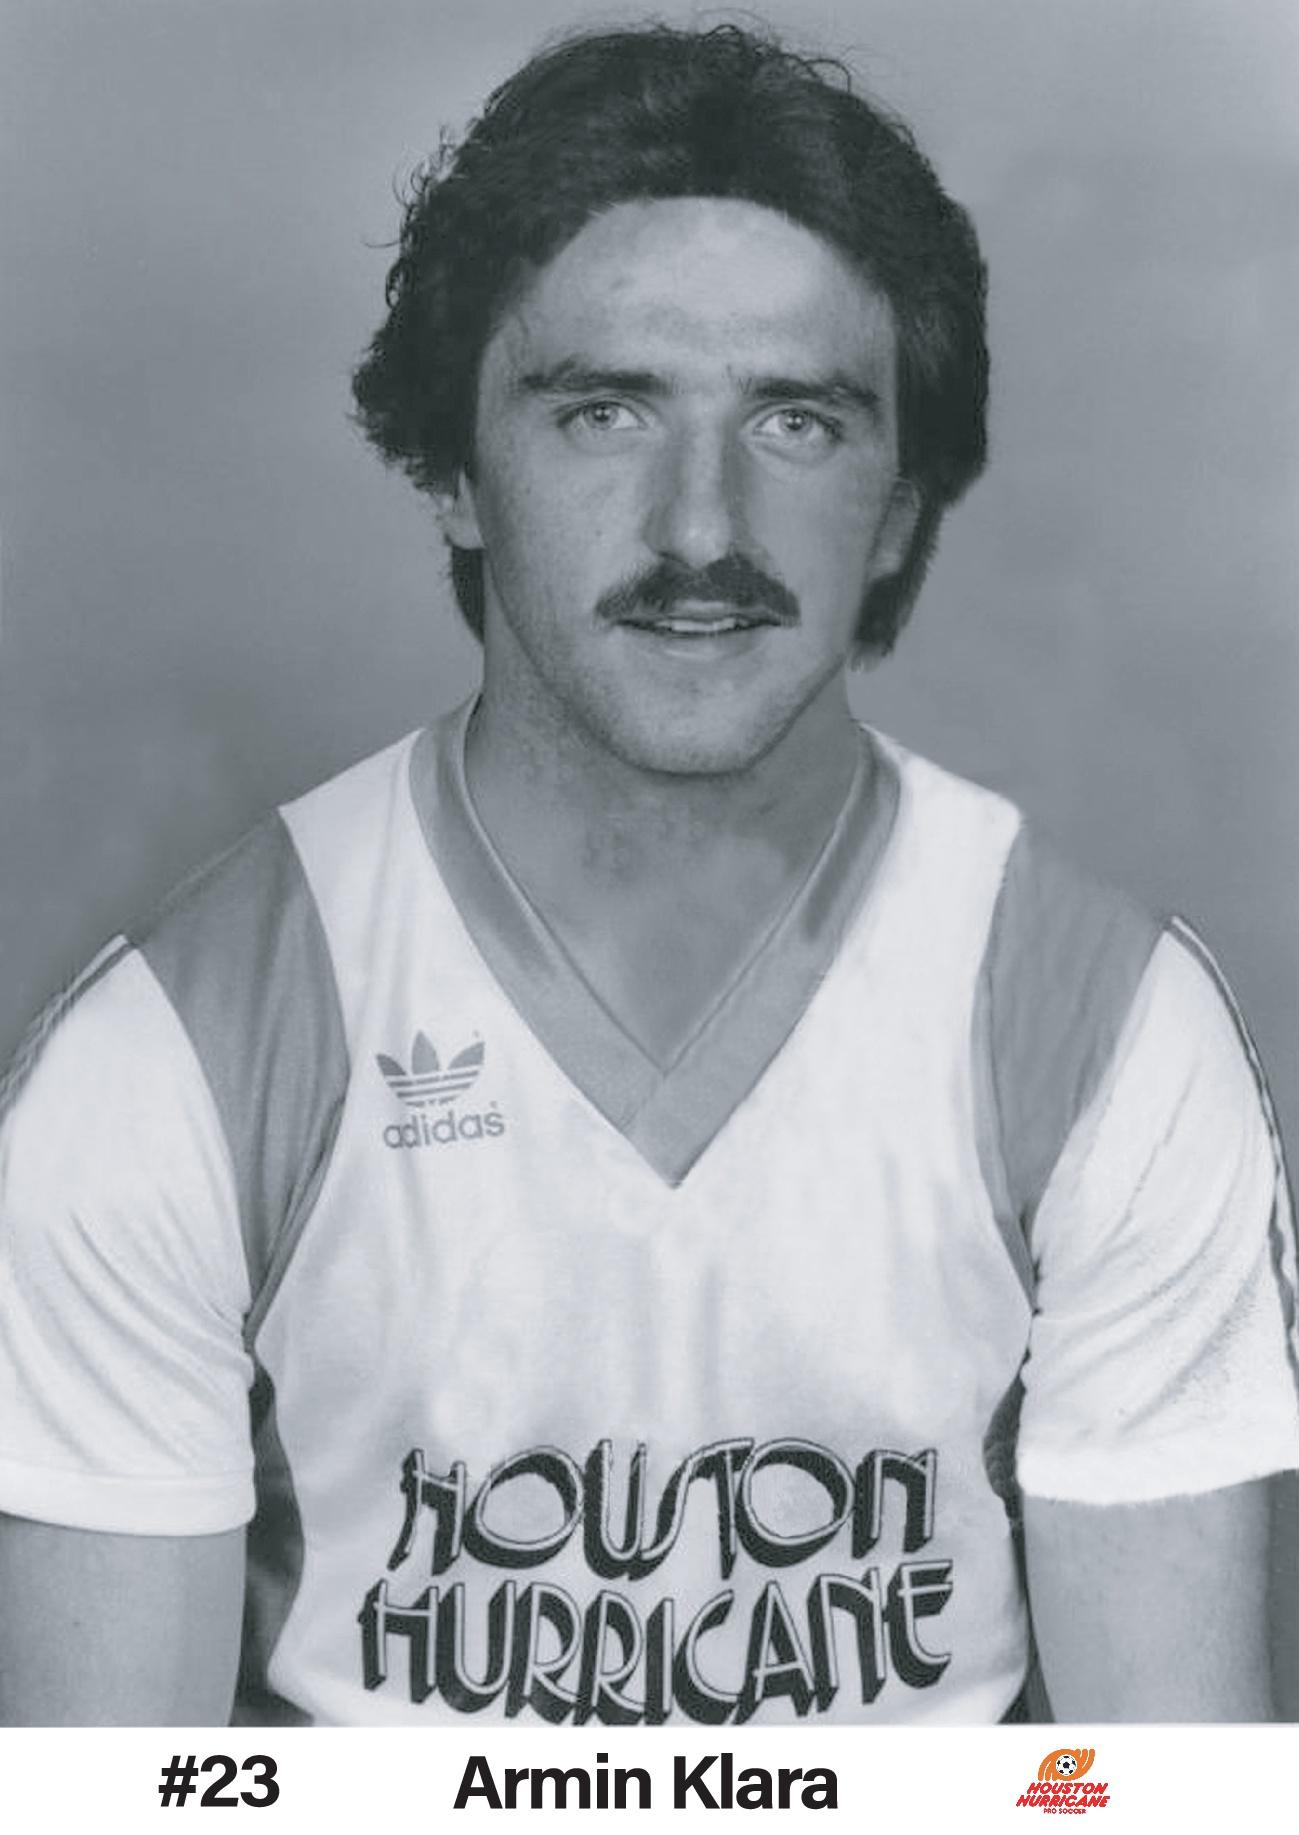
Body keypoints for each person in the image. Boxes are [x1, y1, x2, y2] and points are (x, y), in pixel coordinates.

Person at [1, 21, 1296, 1729]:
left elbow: (1163, 1801)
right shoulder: (177, 1056)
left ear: (901, 508)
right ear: (453, 472)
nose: (701, 528)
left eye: (798, 422)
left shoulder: (1104, 1030)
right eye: (603, 412)